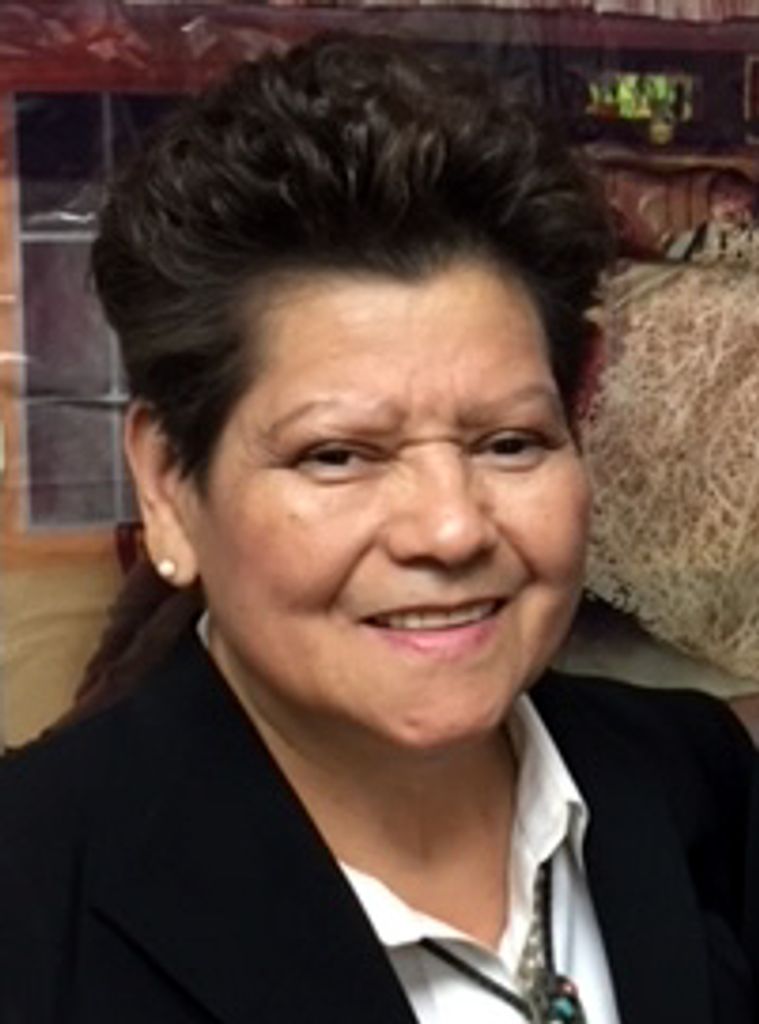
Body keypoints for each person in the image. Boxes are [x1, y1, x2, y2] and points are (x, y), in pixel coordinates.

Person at [0, 34, 756, 1024]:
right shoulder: (32, 905)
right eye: (338, 455)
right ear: (170, 485)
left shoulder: (692, 781)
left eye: (510, 443)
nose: (449, 528)